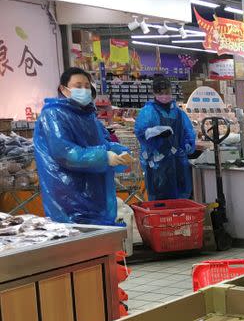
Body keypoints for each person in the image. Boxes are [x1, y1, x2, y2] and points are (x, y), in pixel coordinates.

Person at [33, 67, 133, 225]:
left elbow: (102, 143)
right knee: (77, 240)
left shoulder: (88, 116)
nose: (84, 90)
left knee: (98, 238)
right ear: (63, 89)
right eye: (78, 86)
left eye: (87, 86)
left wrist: (120, 152)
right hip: (69, 192)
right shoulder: (53, 114)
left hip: (95, 189)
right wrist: (103, 157)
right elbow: (64, 153)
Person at [134, 74, 196, 200]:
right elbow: (141, 132)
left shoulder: (178, 113)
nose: (164, 95)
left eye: (166, 91)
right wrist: (155, 133)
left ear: (171, 90)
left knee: (180, 199)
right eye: (160, 92)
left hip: (178, 162)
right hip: (157, 164)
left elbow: (188, 132)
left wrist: (187, 145)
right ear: (154, 92)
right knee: (160, 199)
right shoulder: (148, 112)